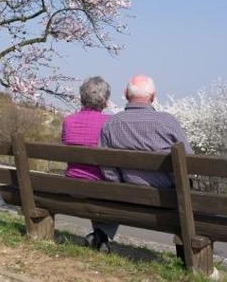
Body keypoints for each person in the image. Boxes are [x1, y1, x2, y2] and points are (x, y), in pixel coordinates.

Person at [94, 74, 194, 251]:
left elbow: (107, 168)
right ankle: (185, 249)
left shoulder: (110, 124)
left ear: (126, 94)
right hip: (168, 197)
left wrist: (120, 187)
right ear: (153, 97)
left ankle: (100, 235)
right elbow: (190, 161)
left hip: (127, 194)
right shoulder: (168, 122)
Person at [61, 76, 112, 252]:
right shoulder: (109, 124)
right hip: (99, 188)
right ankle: (100, 235)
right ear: (105, 101)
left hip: (71, 184)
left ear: (82, 97)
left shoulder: (68, 121)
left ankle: (99, 236)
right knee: (117, 188)